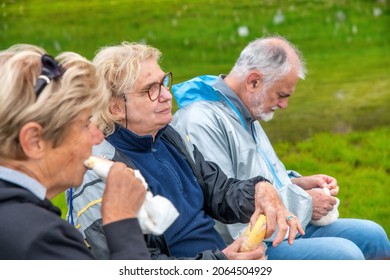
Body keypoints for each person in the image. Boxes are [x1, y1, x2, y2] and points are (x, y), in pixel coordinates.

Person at [67, 42, 303, 260]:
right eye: (151, 89)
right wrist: (221, 263)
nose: (167, 95)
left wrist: (259, 189)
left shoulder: (166, 136)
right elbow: (133, 266)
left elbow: (218, 191)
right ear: (115, 107)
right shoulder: (99, 172)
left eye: (164, 82)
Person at [171, 35, 390, 260]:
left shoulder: (243, 109)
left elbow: (254, 178)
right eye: (281, 95)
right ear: (254, 81)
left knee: (374, 236)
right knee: (347, 256)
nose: (284, 105)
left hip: (279, 224)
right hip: (246, 245)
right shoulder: (199, 121)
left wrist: (296, 182)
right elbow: (225, 208)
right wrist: (306, 203)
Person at [0, 44, 150, 260]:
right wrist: (122, 223)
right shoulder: (42, 241)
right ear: (34, 141)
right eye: (85, 124)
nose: (98, 137)